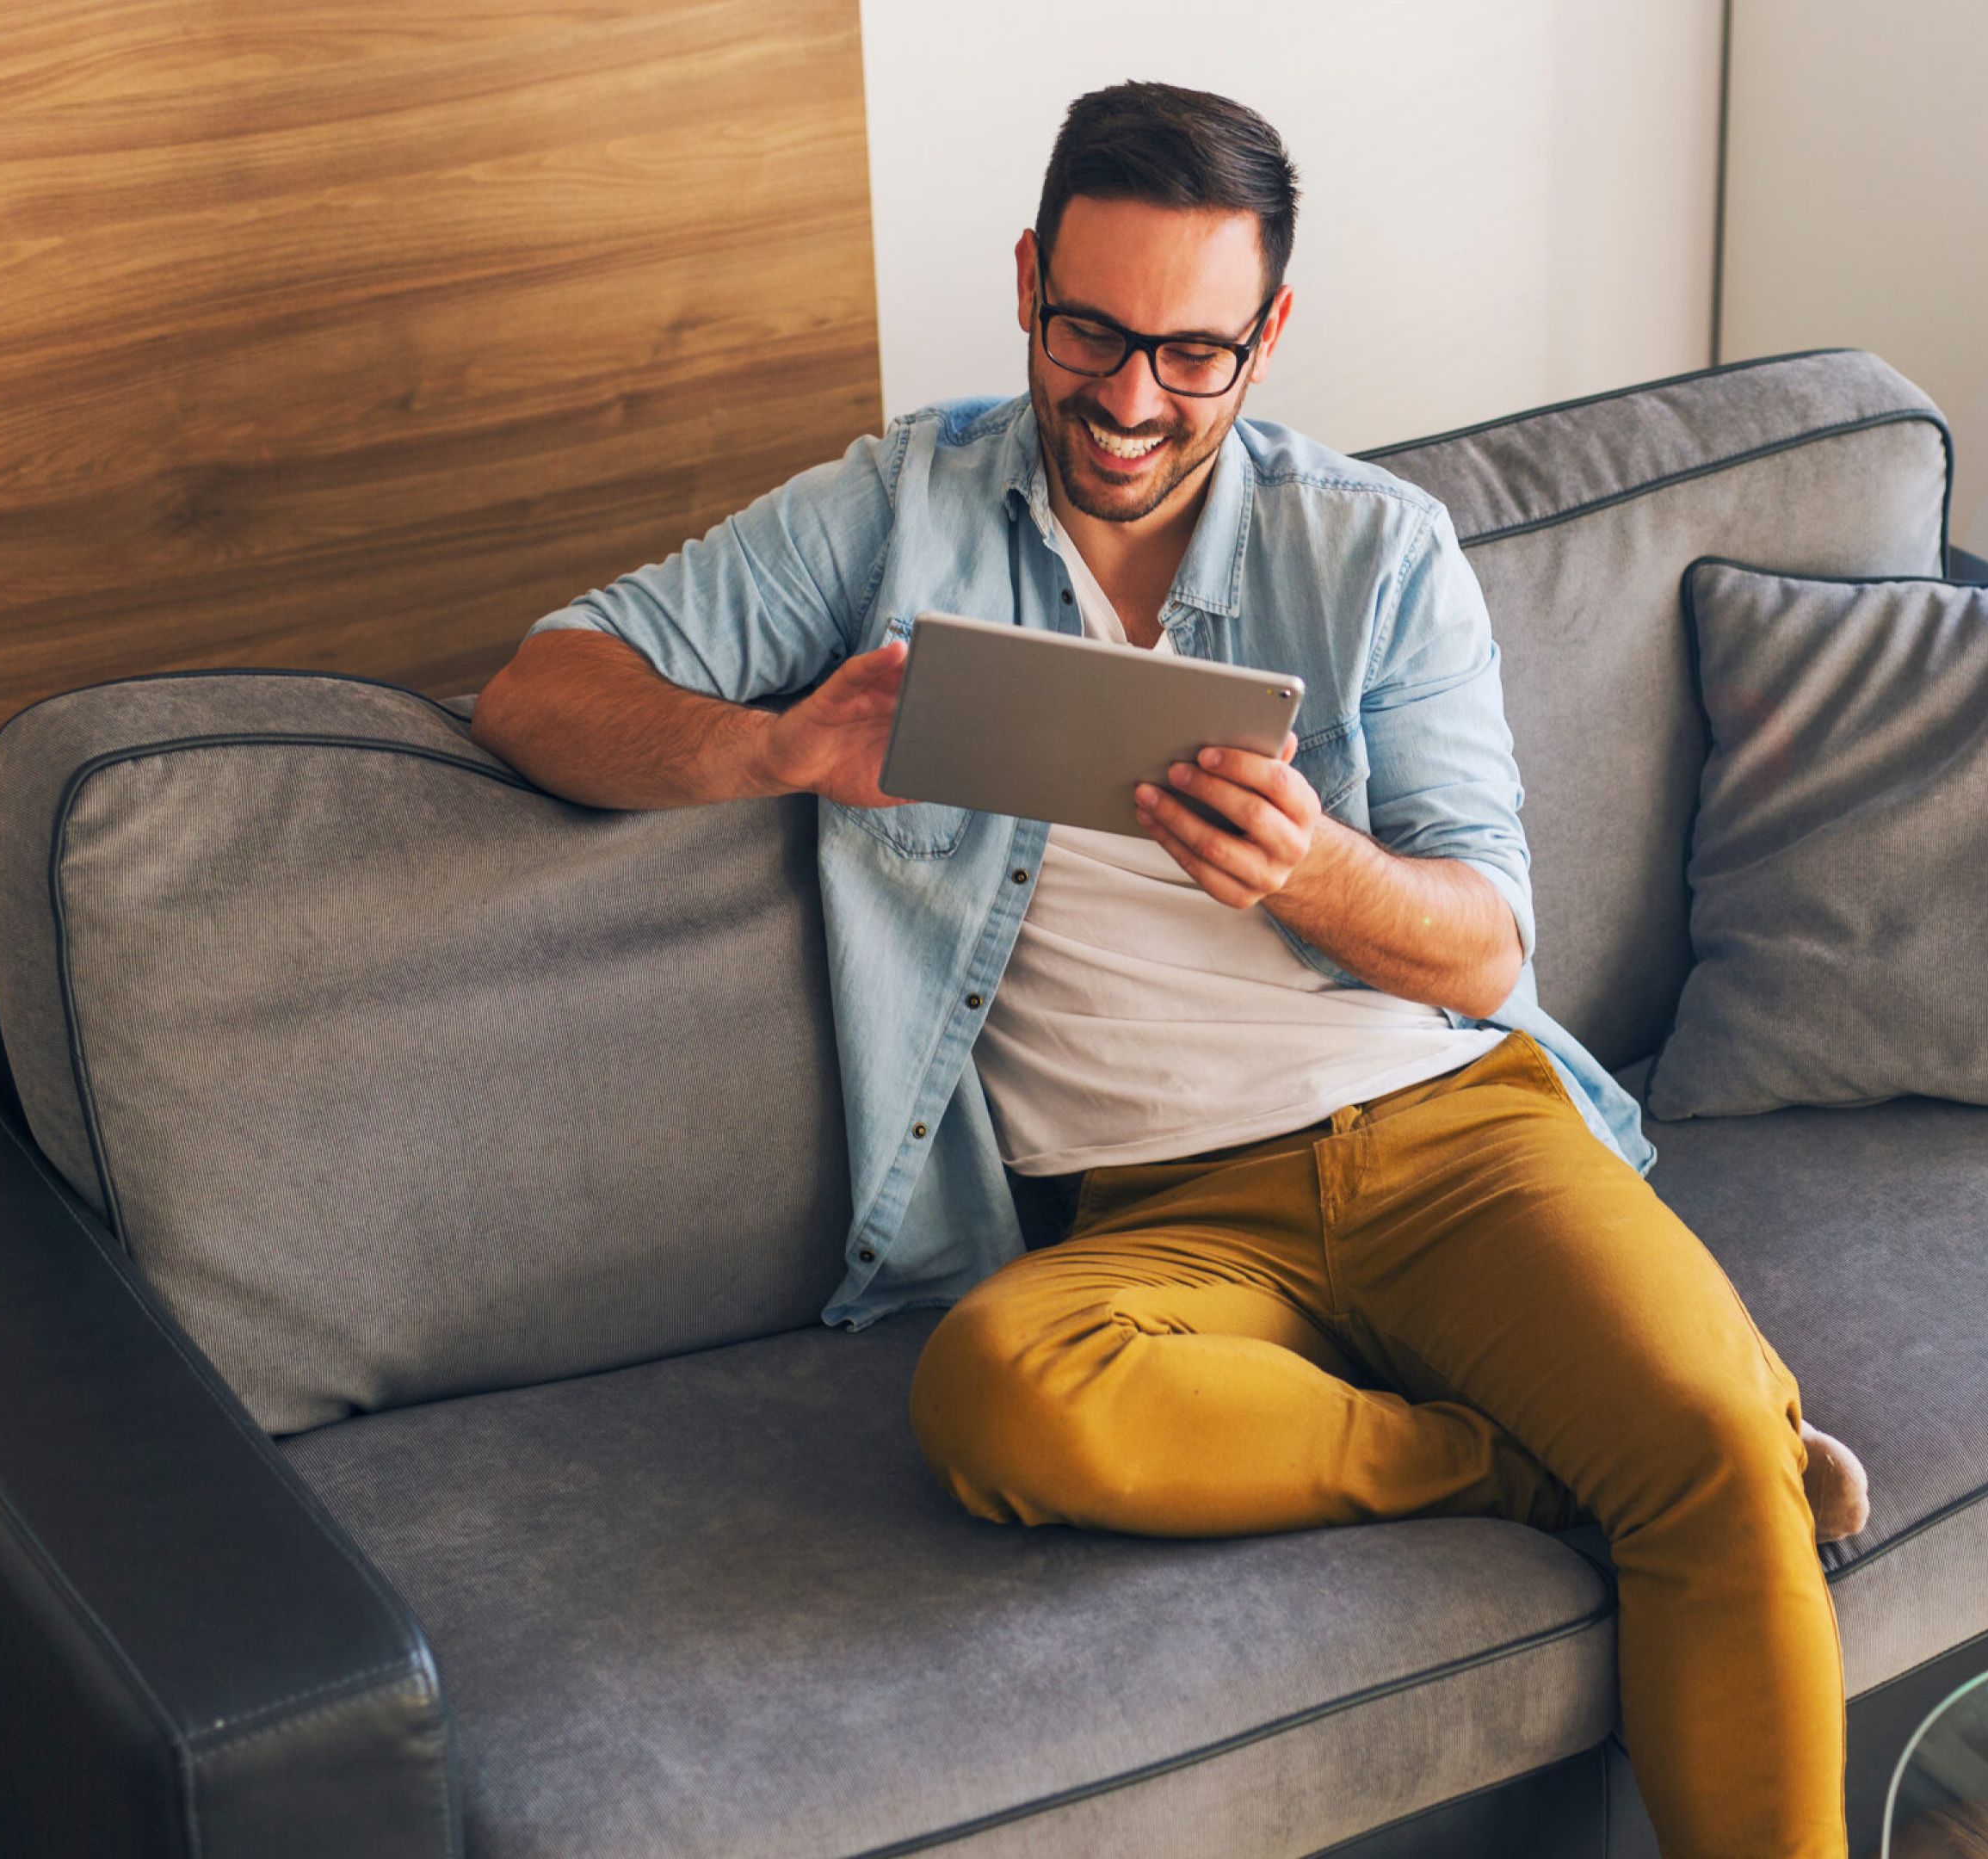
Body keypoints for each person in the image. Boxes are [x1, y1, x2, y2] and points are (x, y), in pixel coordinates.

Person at [468, 80, 1866, 1859]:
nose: (1130, 400)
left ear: (1268, 335)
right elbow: (541, 690)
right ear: (1030, 283)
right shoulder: (893, 512)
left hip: (1450, 1132)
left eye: (1193, 354)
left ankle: (1662, 1437)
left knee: (1721, 1469)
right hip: (1152, 1222)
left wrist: (1316, 871)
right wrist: (782, 753)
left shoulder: (1374, 552)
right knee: (997, 1396)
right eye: (1092, 332)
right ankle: (1512, 1457)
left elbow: (1491, 942)